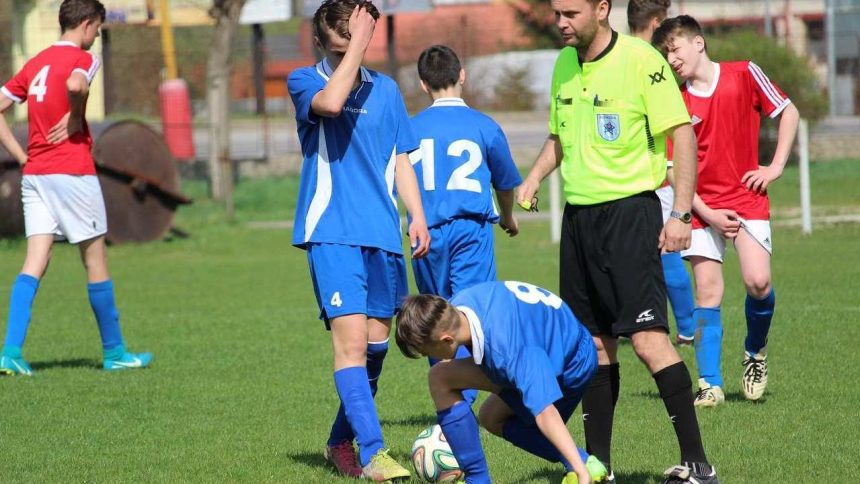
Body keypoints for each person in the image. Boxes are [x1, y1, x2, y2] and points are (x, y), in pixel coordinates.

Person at [516, 1, 717, 482]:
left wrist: (681, 213)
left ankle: (698, 465)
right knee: (594, 347)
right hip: (580, 221)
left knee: (649, 341)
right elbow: (558, 138)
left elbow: (681, 136)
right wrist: (533, 178)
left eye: (571, 13)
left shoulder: (642, 62)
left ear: (602, 9)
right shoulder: (564, 65)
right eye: (556, 13)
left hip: (630, 215)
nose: (561, 22)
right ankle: (597, 467)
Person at [287, 0, 431, 480]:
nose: (352, 50)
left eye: (357, 40)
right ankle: (373, 455)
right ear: (321, 43)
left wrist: (417, 215)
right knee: (349, 344)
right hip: (332, 232)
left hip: (382, 236)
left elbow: (402, 157)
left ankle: (337, 443)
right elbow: (330, 104)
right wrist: (360, 46)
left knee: (375, 349)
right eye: (340, 43)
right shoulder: (305, 81)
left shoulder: (387, 91)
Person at [652, 15, 799, 407]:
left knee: (758, 283)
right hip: (701, 207)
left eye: (675, 47)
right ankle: (709, 383)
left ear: (698, 43)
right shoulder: (676, 100)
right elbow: (671, 168)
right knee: (709, 291)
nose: (671, 58)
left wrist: (776, 166)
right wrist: (706, 212)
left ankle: (755, 352)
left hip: (747, 198)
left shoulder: (745, 73)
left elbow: (788, 112)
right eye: (666, 53)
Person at [0, 0, 152, 376]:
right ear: (86, 25)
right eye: (97, 30)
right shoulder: (84, 60)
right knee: (95, 260)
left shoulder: (36, 63)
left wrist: (20, 156)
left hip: (34, 174)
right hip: (71, 172)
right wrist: (75, 115)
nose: (96, 37)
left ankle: (10, 352)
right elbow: (75, 84)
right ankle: (115, 352)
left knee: (36, 260)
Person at [396, 281, 609, 484]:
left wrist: (579, 471)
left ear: (446, 340)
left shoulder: (508, 351)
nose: (427, 356)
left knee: (530, 417)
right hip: (542, 344)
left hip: (570, 364)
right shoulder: (458, 306)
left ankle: (581, 464)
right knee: (461, 394)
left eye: (427, 352)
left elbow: (546, 412)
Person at [408, 45, 522, 403]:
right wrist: (507, 216)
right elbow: (505, 182)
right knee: (471, 314)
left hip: (426, 233)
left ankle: (448, 396)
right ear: (462, 75)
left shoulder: (411, 130)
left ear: (423, 85)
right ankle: (461, 401)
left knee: (434, 315)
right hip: (470, 231)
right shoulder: (484, 126)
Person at [628, 0, 696, 345]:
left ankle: (685, 327)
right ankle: (686, 327)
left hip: (634, 175)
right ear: (657, 22)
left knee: (656, 253)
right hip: (655, 172)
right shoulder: (656, 63)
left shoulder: (616, 57)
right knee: (665, 253)